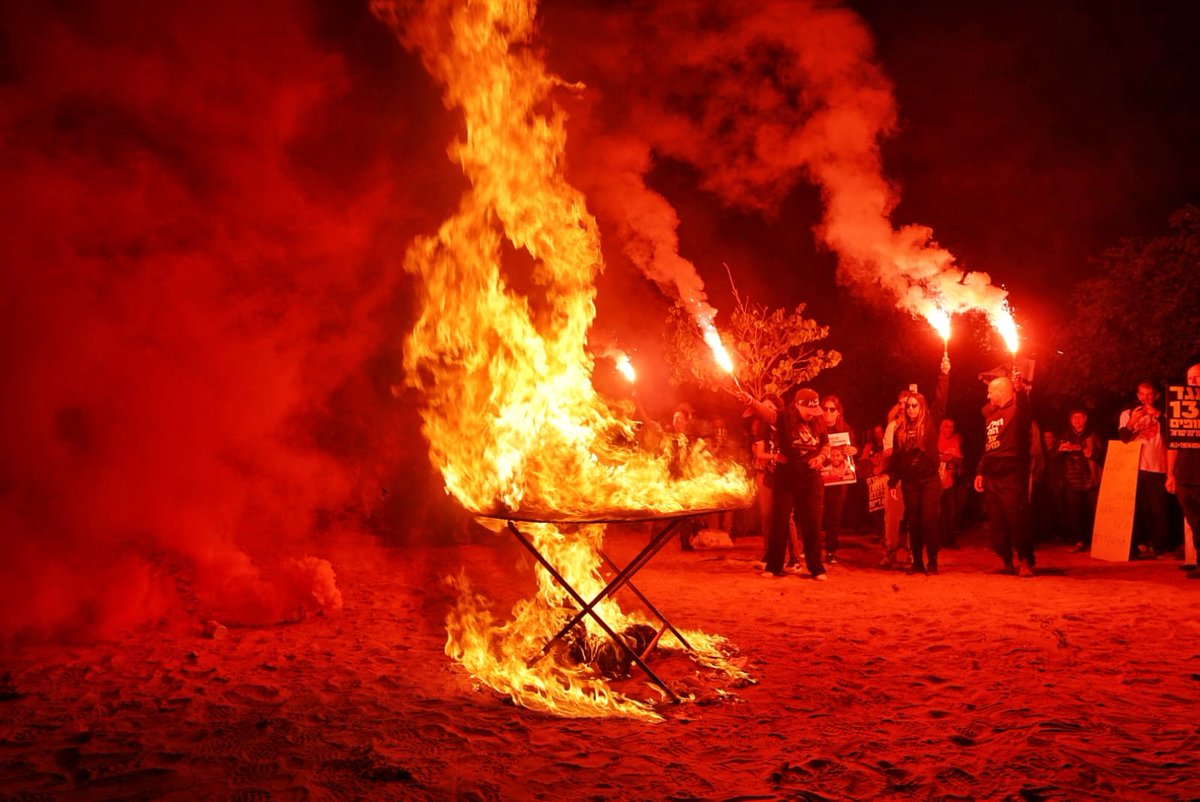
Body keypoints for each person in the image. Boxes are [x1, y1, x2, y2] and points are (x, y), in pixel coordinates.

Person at [742, 387, 830, 580]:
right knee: (779, 522)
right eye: (809, 410)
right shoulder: (783, 418)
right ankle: (774, 566)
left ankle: (816, 568)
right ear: (798, 405)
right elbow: (767, 413)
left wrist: (821, 458)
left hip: (811, 478)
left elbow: (825, 444)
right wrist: (751, 401)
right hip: (787, 477)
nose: (812, 415)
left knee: (813, 523)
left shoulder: (817, 421)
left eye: (815, 412)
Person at [887, 356, 951, 574]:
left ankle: (932, 560)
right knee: (913, 521)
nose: (911, 409)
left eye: (915, 405)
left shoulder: (931, 423)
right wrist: (892, 481)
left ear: (921, 407)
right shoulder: (899, 431)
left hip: (929, 480)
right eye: (908, 406)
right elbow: (895, 458)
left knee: (929, 520)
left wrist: (944, 374)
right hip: (910, 482)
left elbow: (941, 400)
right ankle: (917, 562)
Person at [974, 373, 1035, 576]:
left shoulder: (1017, 411)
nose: (988, 394)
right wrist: (980, 471)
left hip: (1012, 472)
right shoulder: (991, 415)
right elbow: (987, 446)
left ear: (1002, 391)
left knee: (1016, 518)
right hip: (992, 473)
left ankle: (1025, 561)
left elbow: (1026, 409)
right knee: (997, 521)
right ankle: (1006, 561)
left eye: (991, 390)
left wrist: (1019, 389)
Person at [1118, 382, 1172, 558]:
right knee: (1135, 509)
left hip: (1157, 467)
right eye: (1142, 394)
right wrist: (1133, 420)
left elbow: (1173, 434)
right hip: (1135, 467)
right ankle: (1136, 545)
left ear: (1155, 396)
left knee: (1158, 509)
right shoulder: (1127, 414)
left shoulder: (1164, 415)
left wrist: (1158, 415)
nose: (1146, 398)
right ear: (1138, 396)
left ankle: (1160, 547)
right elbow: (1123, 438)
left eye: (1150, 395)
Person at [749, 395, 802, 568]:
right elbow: (760, 454)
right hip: (769, 474)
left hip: (786, 476)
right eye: (762, 407)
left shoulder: (786, 425)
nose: (765, 410)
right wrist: (775, 457)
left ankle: (794, 558)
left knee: (787, 517)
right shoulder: (762, 428)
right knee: (766, 516)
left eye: (769, 407)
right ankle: (768, 555)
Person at [1166, 361, 1200, 577]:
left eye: (1197, 377)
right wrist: (1170, 473)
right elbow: (1173, 444)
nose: (1193, 381)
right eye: (1190, 378)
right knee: (1195, 524)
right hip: (1185, 478)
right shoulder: (1178, 406)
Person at [820, 394, 857, 564]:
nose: (828, 412)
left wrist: (853, 450)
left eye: (832, 409)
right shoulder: (816, 428)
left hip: (839, 480)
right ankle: (811, 548)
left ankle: (831, 550)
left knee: (834, 515)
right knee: (816, 514)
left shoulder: (846, 430)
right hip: (819, 478)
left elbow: (853, 450)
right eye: (825, 409)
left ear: (838, 412)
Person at [1058, 410, 1099, 552]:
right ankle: (1078, 540)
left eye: (1080, 417)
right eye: (1074, 418)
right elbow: (1056, 455)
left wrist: (1092, 454)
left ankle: (1097, 541)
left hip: (1090, 478)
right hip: (1072, 478)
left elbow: (1102, 453)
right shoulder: (1065, 436)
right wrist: (1061, 450)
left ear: (1085, 418)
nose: (1077, 420)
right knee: (1075, 511)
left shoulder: (1093, 435)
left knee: (1093, 511)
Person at [937, 417, 965, 548]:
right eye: (947, 426)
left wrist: (950, 459)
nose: (950, 429)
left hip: (950, 481)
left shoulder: (954, 440)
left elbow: (959, 458)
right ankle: (937, 539)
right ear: (941, 427)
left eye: (952, 427)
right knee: (938, 512)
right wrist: (945, 458)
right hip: (936, 482)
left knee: (950, 512)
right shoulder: (936, 439)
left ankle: (948, 539)